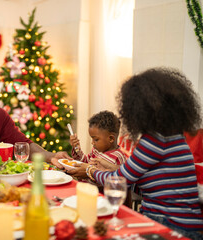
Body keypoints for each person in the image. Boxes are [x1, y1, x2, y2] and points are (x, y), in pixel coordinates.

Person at [64, 67, 203, 239]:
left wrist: (89, 170)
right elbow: (144, 184)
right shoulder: (172, 136)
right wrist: (112, 167)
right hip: (180, 223)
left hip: (171, 226)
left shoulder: (155, 141)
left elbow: (119, 182)